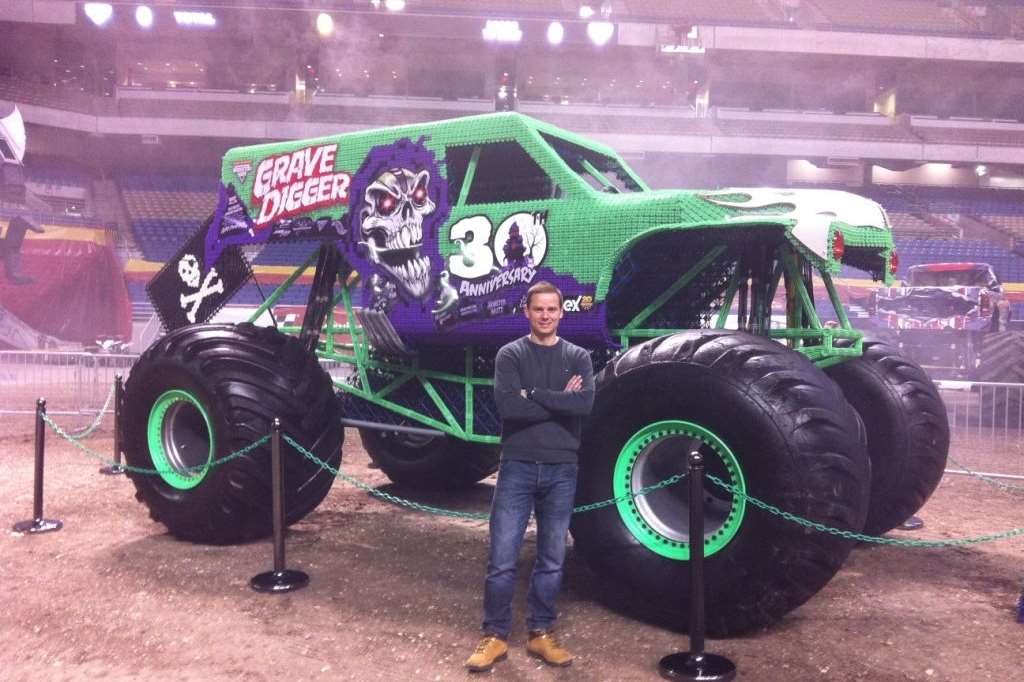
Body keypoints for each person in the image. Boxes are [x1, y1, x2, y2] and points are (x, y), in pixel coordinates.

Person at [465, 281, 595, 672]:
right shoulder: (511, 355)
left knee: (552, 558)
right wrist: (559, 399)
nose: (545, 316)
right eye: (538, 309)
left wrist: (534, 394)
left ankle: (541, 634)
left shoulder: (579, 357)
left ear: (561, 313)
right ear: (527, 312)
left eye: (552, 309)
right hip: (518, 466)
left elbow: (584, 403)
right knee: (502, 557)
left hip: (561, 468)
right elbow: (509, 408)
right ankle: (495, 635)